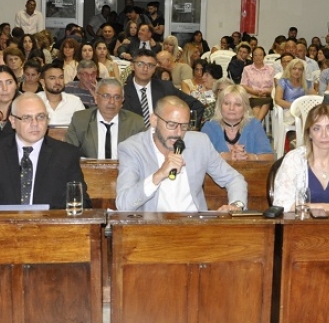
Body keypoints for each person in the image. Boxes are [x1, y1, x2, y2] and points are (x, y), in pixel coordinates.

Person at [116, 96, 247, 212]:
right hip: (153, 231)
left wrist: (237, 204)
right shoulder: (132, 149)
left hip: (195, 228)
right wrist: (159, 175)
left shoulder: (200, 143)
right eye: (171, 125)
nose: (178, 133)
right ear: (154, 120)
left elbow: (234, 178)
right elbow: (124, 204)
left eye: (184, 126)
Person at [0, 93, 90, 210]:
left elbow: (81, 203)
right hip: (2, 226)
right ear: (13, 121)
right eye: (27, 118)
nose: (35, 124)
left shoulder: (66, 155)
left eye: (41, 117)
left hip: (50, 226)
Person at [64, 78, 147, 159]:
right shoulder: (80, 120)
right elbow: (70, 154)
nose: (111, 102)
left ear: (122, 101)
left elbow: (143, 157)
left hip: (124, 171)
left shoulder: (136, 123)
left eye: (117, 97)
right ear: (96, 98)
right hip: (90, 171)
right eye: (106, 96)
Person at [122, 49, 203, 124]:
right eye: (140, 64)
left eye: (150, 65)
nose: (145, 68)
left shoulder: (165, 88)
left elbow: (196, 105)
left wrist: (184, 128)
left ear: (155, 68)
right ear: (132, 66)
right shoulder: (122, 92)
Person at [201, 85, 274, 161]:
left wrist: (249, 157)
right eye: (226, 103)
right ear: (220, 106)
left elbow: (269, 157)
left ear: (245, 108)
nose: (231, 108)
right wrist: (224, 156)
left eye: (237, 104)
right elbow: (199, 157)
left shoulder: (254, 125)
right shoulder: (209, 127)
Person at [240, 46, 275, 122]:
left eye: (260, 55)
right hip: (252, 96)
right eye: (255, 55)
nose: (258, 57)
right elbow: (243, 85)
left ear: (264, 56)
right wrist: (254, 92)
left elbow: (274, 86)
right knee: (256, 107)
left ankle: (256, 126)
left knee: (266, 103)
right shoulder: (247, 69)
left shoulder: (270, 69)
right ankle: (257, 126)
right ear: (252, 57)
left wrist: (267, 91)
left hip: (267, 96)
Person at [274, 57, 310, 123]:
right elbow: (278, 100)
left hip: (303, 110)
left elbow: (315, 98)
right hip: (288, 110)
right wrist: (295, 106)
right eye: (294, 68)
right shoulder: (283, 81)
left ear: (302, 71)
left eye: (300, 69)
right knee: (303, 116)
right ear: (290, 70)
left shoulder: (307, 83)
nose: (297, 71)